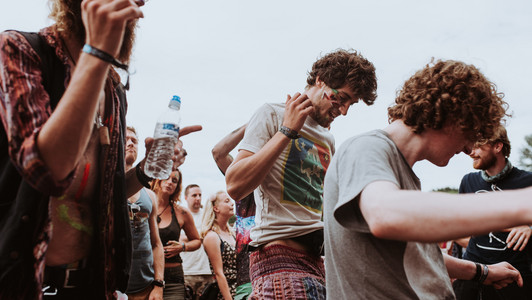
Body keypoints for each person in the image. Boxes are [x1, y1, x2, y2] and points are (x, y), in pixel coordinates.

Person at [0, 0, 200, 298]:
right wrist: (96, 52)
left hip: (93, 284)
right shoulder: (20, 49)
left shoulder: (113, 90)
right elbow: (48, 169)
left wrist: (147, 168)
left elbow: (112, 191)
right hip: (25, 283)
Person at [323, 59, 532, 299]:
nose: (469, 148)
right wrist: (523, 203)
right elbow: (384, 214)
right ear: (452, 115)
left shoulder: (402, 175)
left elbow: (422, 255)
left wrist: (483, 272)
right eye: (471, 131)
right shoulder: (366, 148)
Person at [225, 49, 378, 299]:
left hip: (318, 261)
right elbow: (234, 185)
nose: (345, 110)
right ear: (320, 80)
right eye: (342, 98)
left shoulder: (328, 138)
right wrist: (287, 130)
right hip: (278, 258)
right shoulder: (272, 113)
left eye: (352, 104)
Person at [453, 126, 532, 299]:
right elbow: (456, 229)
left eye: (478, 146)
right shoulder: (468, 181)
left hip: (513, 279)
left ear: (497, 147)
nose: (471, 152)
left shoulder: (528, 180)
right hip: (472, 276)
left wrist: (529, 228)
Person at [212, 124, 256, 300]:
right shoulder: (246, 181)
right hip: (247, 277)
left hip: (281, 267)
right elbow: (218, 153)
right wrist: (254, 122)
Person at [124, 126, 165, 300]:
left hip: (146, 288)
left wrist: (158, 284)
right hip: (115, 287)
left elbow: (156, 243)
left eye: (134, 140)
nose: (130, 143)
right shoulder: (106, 187)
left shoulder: (149, 195)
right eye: (125, 140)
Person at [152, 169, 201, 300]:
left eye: (174, 181)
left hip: (173, 277)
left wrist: (183, 247)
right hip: (147, 275)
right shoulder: (144, 207)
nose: (170, 182)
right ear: (157, 179)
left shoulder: (181, 212)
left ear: (177, 187)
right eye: (166, 178)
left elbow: (197, 240)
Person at [180, 184, 215, 300]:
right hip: (187, 271)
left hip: (206, 271)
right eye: (194, 195)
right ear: (185, 197)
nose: (198, 198)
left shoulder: (207, 216)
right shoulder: (180, 215)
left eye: (200, 195)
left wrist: (190, 237)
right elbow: (178, 239)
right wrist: (201, 236)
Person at [201, 191, 237, 300]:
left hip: (243, 288)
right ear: (216, 208)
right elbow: (218, 273)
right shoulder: (212, 236)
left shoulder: (233, 234)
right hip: (228, 292)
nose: (232, 203)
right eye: (227, 201)